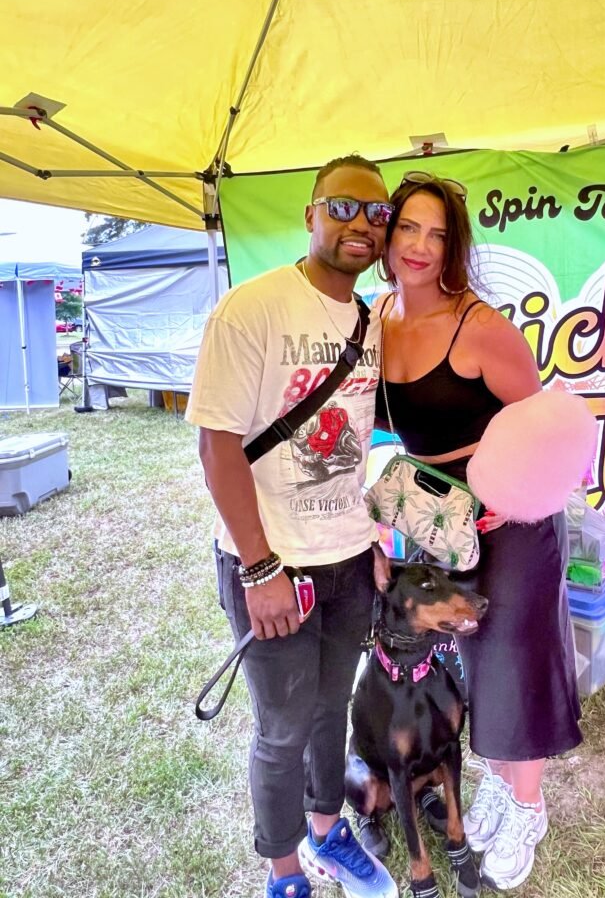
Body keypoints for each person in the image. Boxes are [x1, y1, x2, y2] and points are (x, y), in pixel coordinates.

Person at [186, 155, 398, 898]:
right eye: (344, 208)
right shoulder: (253, 308)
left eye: (377, 215)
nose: (361, 226)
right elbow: (215, 445)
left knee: (330, 708)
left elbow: (357, 441)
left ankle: (323, 828)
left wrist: (369, 534)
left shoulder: (370, 322)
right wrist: (259, 568)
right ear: (310, 215)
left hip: (346, 560)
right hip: (272, 566)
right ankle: (284, 873)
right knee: (280, 728)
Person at [374, 169, 582, 891]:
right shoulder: (380, 317)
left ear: (455, 247)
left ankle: (528, 805)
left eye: (437, 234)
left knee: (514, 664)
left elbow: (547, 432)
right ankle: (498, 782)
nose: (420, 247)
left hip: (511, 524)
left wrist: (504, 496)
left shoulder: (480, 326)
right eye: (408, 228)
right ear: (388, 232)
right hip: (442, 525)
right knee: (472, 665)